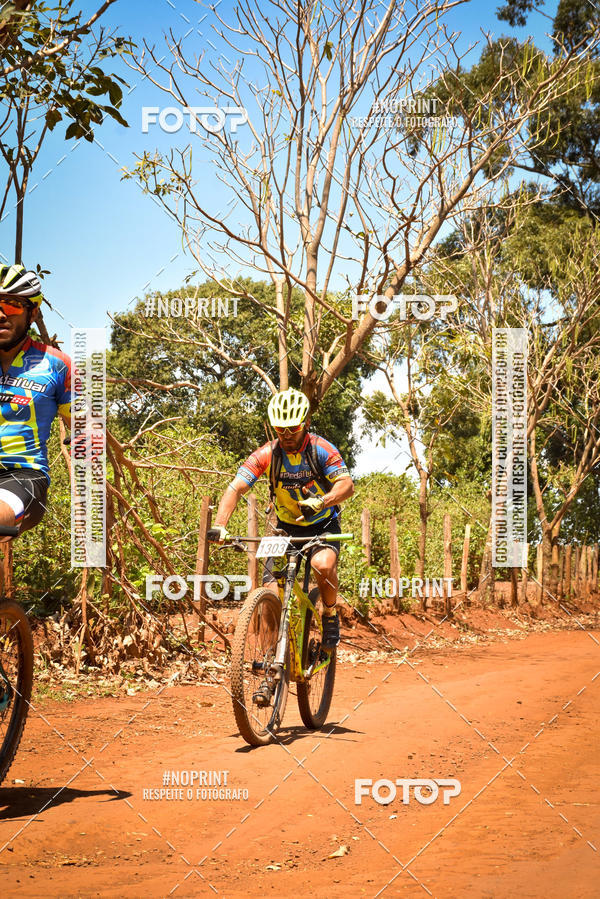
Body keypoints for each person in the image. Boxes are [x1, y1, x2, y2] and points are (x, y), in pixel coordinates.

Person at [211, 387, 354, 650]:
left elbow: (346, 485)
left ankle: (330, 614)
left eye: (293, 428)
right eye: (280, 429)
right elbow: (236, 487)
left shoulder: (321, 449)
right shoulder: (268, 453)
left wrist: (322, 501)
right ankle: (270, 662)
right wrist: (220, 525)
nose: (287, 435)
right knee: (267, 592)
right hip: (284, 529)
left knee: (322, 565)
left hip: (322, 524)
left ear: (306, 423)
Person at [0, 264, 71, 536]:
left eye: (12, 305)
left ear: (33, 313)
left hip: (23, 477)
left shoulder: (57, 364)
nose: (1, 314)